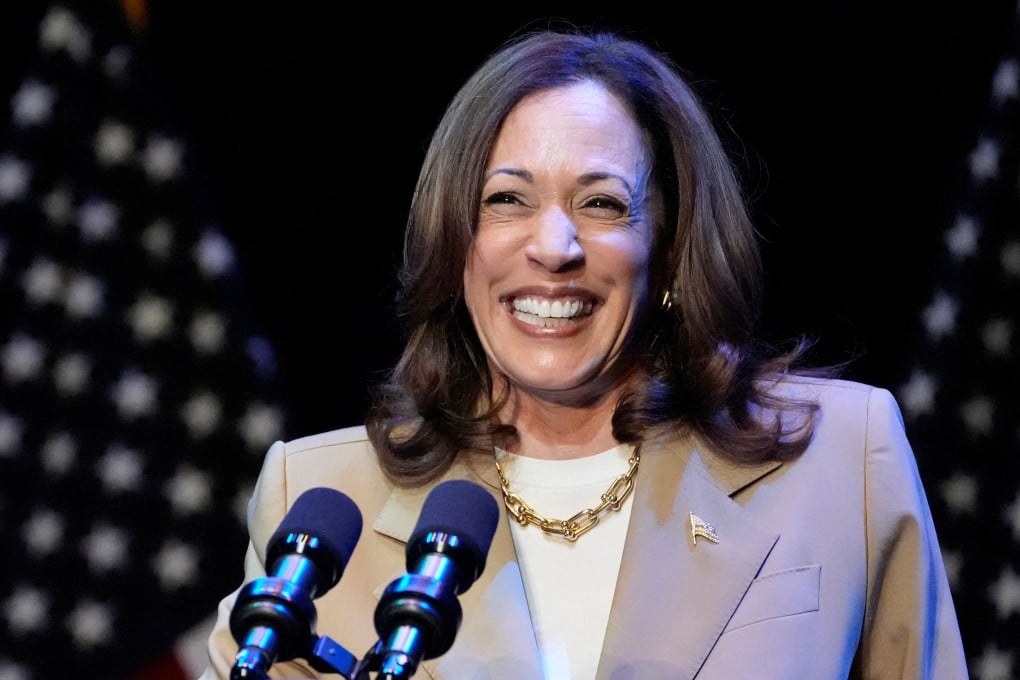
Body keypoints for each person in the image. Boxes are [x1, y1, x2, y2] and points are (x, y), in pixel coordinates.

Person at [200, 26, 968, 680]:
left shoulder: (840, 458)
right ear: (456, 246)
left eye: (601, 202)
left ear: (670, 249)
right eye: (507, 199)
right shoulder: (321, 498)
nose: (554, 246)